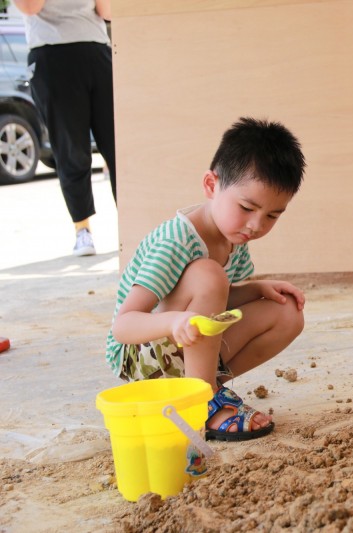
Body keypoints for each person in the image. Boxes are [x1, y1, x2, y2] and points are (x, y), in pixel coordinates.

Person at [106, 117, 306, 441]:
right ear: (212, 185)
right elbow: (124, 326)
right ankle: (202, 403)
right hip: (142, 358)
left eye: (272, 215)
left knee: (288, 313)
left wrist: (256, 289)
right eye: (247, 207)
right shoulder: (176, 240)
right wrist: (174, 322)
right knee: (208, 274)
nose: (256, 225)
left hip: (184, 344)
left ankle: (205, 389)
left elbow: (217, 301)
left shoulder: (235, 237)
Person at [13, 0, 116, 257]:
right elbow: (29, 7)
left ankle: (133, 227)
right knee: (71, 149)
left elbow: (107, 12)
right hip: (52, 54)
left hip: (96, 49)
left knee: (118, 147)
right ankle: (83, 230)